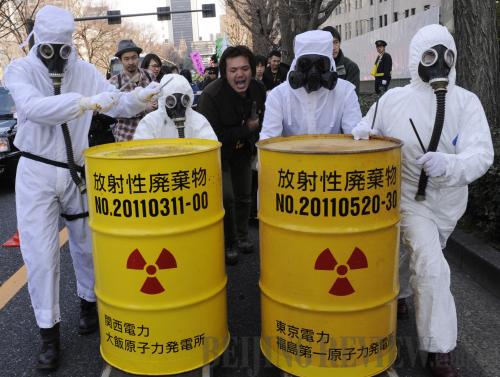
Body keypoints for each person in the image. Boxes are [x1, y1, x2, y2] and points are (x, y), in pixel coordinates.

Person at [3, 5, 160, 370]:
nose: (56, 57)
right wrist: (84, 103)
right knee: (41, 256)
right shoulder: (20, 69)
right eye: (49, 48)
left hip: (76, 169)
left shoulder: (85, 71)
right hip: (37, 171)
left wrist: (141, 97)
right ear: (36, 42)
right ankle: (48, 332)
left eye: (62, 48)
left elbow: (116, 103)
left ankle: (88, 305)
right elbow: (35, 107)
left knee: (87, 244)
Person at [351, 24, 494, 377]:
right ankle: (439, 348)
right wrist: (362, 132)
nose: (439, 65)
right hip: (408, 197)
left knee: (412, 251)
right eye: (430, 56)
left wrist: (451, 164)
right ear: (417, 58)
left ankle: (398, 295)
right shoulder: (394, 99)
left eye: (446, 56)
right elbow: (368, 126)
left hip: (448, 201)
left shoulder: (466, 103)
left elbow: (481, 154)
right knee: (432, 266)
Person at [197, 45, 266, 265]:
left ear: (252, 70)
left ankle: (243, 236)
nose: (240, 75)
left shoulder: (258, 89)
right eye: (233, 70)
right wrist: (247, 128)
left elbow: (261, 121)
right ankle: (229, 242)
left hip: (243, 151)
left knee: (245, 195)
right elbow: (211, 136)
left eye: (245, 68)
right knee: (227, 197)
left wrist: (253, 135)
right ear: (224, 73)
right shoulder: (211, 95)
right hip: (219, 155)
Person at [260, 30, 361, 140]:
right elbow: (268, 141)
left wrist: (361, 132)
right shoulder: (278, 96)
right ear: (296, 65)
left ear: (331, 65)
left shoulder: (345, 92)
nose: (313, 72)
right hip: (291, 157)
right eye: (304, 64)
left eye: (321, 64)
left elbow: (355, 136)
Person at [134, 74, 216, 140]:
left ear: (188, 99)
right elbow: (142, 150)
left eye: (183, 100)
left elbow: (209, 146)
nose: (178, 107)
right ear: (163, 100)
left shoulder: (198, 121)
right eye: (171, 101)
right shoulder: (151, 122)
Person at [109, 39, 156, 141]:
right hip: (126, 136)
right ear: (120, 60)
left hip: (150, 135)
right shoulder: (114, 82)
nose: (131, 62)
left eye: (134, 58)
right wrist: (143, 107)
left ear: (138, 58)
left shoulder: (149, 75)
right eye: (126, 59)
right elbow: (115, 111)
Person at [322, 25, 360, 95]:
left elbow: (352, 98)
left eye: (336, 42)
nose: (333, 48)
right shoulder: (315, 68)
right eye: (329, 43)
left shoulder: (350, 67)